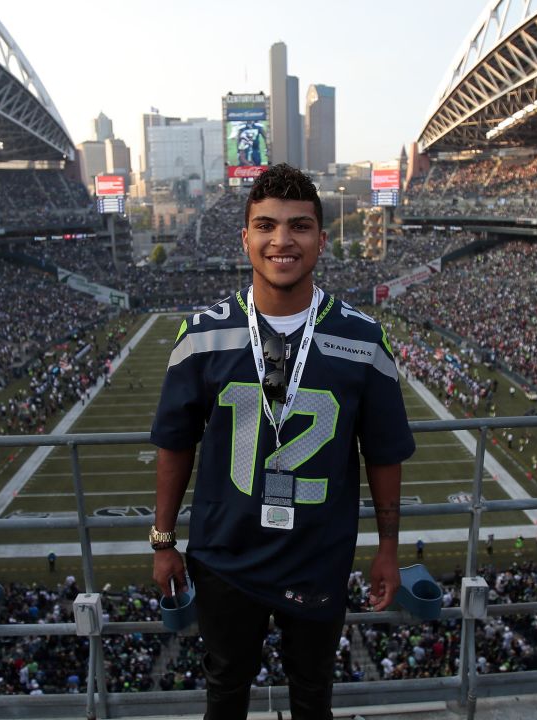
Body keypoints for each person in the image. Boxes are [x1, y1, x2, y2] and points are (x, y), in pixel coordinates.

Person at [150, 163, 415, 720]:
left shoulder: (364, 339)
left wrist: (388, 548)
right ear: (245, 237)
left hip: (317, 555)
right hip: (226, 555)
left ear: (321, 237)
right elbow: (175, 443)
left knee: (313, 694)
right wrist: (163, 540)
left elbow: (384, 453)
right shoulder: (201, 334)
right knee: (224, 691)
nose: (282, 240)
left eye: (299, 226)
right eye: (266, 225)